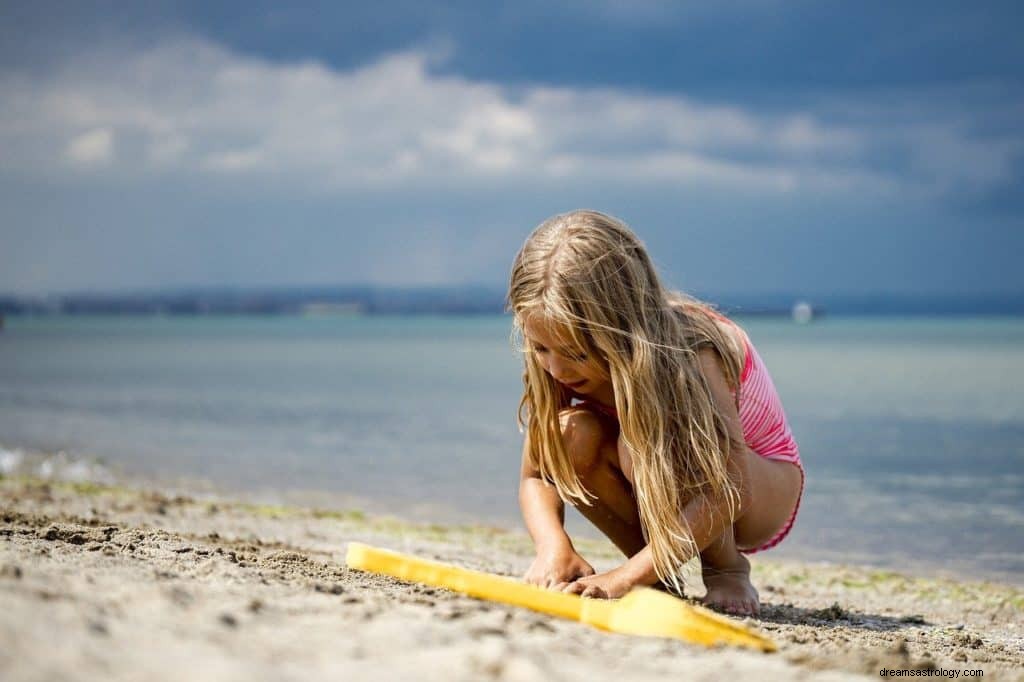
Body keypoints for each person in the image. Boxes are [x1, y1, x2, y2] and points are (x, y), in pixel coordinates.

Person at [508, 210, 804, 617]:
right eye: (540, 349)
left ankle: (726, 567)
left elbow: (730, 486)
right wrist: (553, 547)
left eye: (576, 353)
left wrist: (624, 579)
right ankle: (656, 576)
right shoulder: (558, 346)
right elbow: (537, 474)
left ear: (621, 328)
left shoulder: (691, 351)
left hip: (756, 491)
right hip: (660, 482)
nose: (557, 369)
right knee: (566, 435)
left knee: (644, 439)